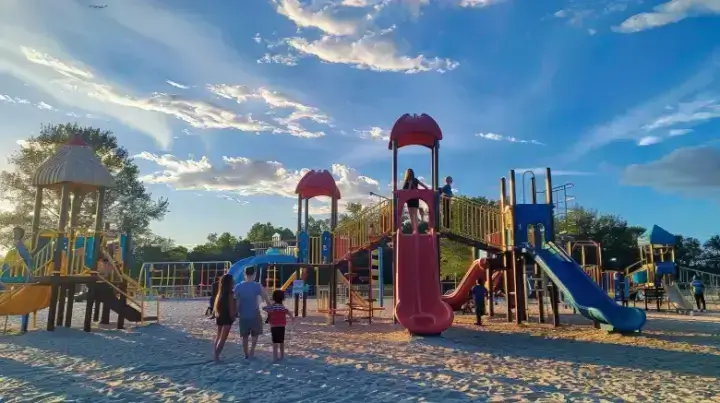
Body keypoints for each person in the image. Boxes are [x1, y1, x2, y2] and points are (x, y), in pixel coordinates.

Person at [234, 265, 272, 359]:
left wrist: (236, 313)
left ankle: (246, 354)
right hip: (255, 314)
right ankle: (252, 352)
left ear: (244, 274)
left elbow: (236, 302)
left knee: (245, 336)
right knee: (255, 334)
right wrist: (270, 310)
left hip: (243, 315)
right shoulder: (257, 286)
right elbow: (266, 298)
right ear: (254, 274)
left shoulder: (238, 287)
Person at [263, 289, 294, 361]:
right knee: (281, 342)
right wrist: (292, 318)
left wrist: (269, 304)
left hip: (274, 326)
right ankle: (282, 356)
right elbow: (288, 312)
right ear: (282, 298)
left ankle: (275, 357)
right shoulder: (282, 307)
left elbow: (264, 308)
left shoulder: (272, 307)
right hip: (282, 325)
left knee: (275, 342)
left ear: (273, 298)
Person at [213, 274, 236, 361]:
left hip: (220, 317)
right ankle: (216, 357)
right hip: (227, 318)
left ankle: (215, 354)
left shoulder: (220, 293)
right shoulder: (230, 293)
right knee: (223, 339)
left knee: (218, 337)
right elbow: (231, 308)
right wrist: (233, 316)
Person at [402, 168, 429, 234]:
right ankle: (415, 230)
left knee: (412, 215)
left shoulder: (407, 181)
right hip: (415, 199)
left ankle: (415, 231)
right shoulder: (415, 180)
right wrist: (425, 189)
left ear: (407, 174)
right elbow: (425, 186)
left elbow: (407, 191)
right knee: (414, 215)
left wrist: (410, 184)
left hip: (411, 200)